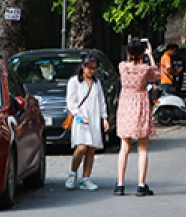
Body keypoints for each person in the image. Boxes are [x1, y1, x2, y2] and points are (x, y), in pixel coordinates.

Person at [116, 39, 160, 196]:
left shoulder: (122, 67)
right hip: (140, 103)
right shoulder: (144, 69)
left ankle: (120, 184)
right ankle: (141, 185)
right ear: (143, 53)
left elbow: (128, 62)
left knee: (124, 147)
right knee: (142, 148)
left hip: (126, 104)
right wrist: (151, 55)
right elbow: (156, 75)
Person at [65, 54, 109, 192]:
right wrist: (79, 115)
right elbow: (70, 102)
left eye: (94, 68)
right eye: (90, 68)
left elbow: (101, 101)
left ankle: (86, 177)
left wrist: (104, 118)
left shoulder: (97, 83)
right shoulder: (74, 82)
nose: (92, 71)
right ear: (83, 67)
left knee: (91, 149)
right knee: (81, 147)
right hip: (80, 119)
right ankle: (73, 173)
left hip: (94, 118)